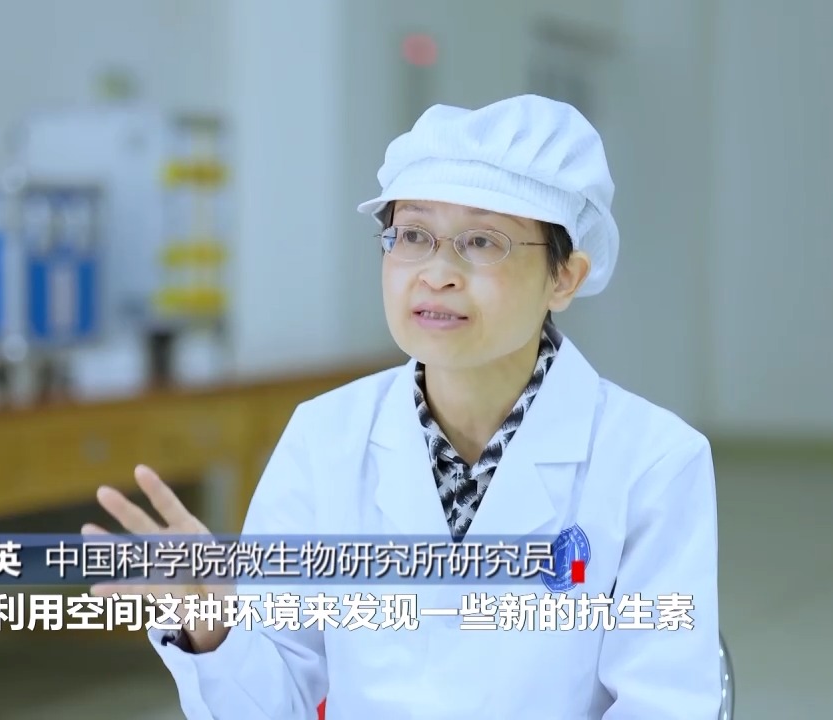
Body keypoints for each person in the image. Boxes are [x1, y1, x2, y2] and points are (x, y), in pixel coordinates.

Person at [84, 94, 722, 718]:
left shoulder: (653, 462)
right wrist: (216, 628)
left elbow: (666, 704)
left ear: (565, 277)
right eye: (412, 234)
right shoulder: (325, 437)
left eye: (482, 242)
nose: (436, 273)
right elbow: (274, 703)